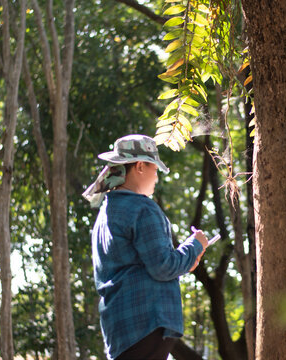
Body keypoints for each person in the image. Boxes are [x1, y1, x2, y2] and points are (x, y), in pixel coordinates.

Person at [83, 134, 208, 360]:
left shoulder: (106, 212)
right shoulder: (143, 208)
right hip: (146, 323)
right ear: (140, 166)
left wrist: (185, 262)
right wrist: (194, 246)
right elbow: (163, 266)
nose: (157, 177)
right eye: (155, 169)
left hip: (119, 329)